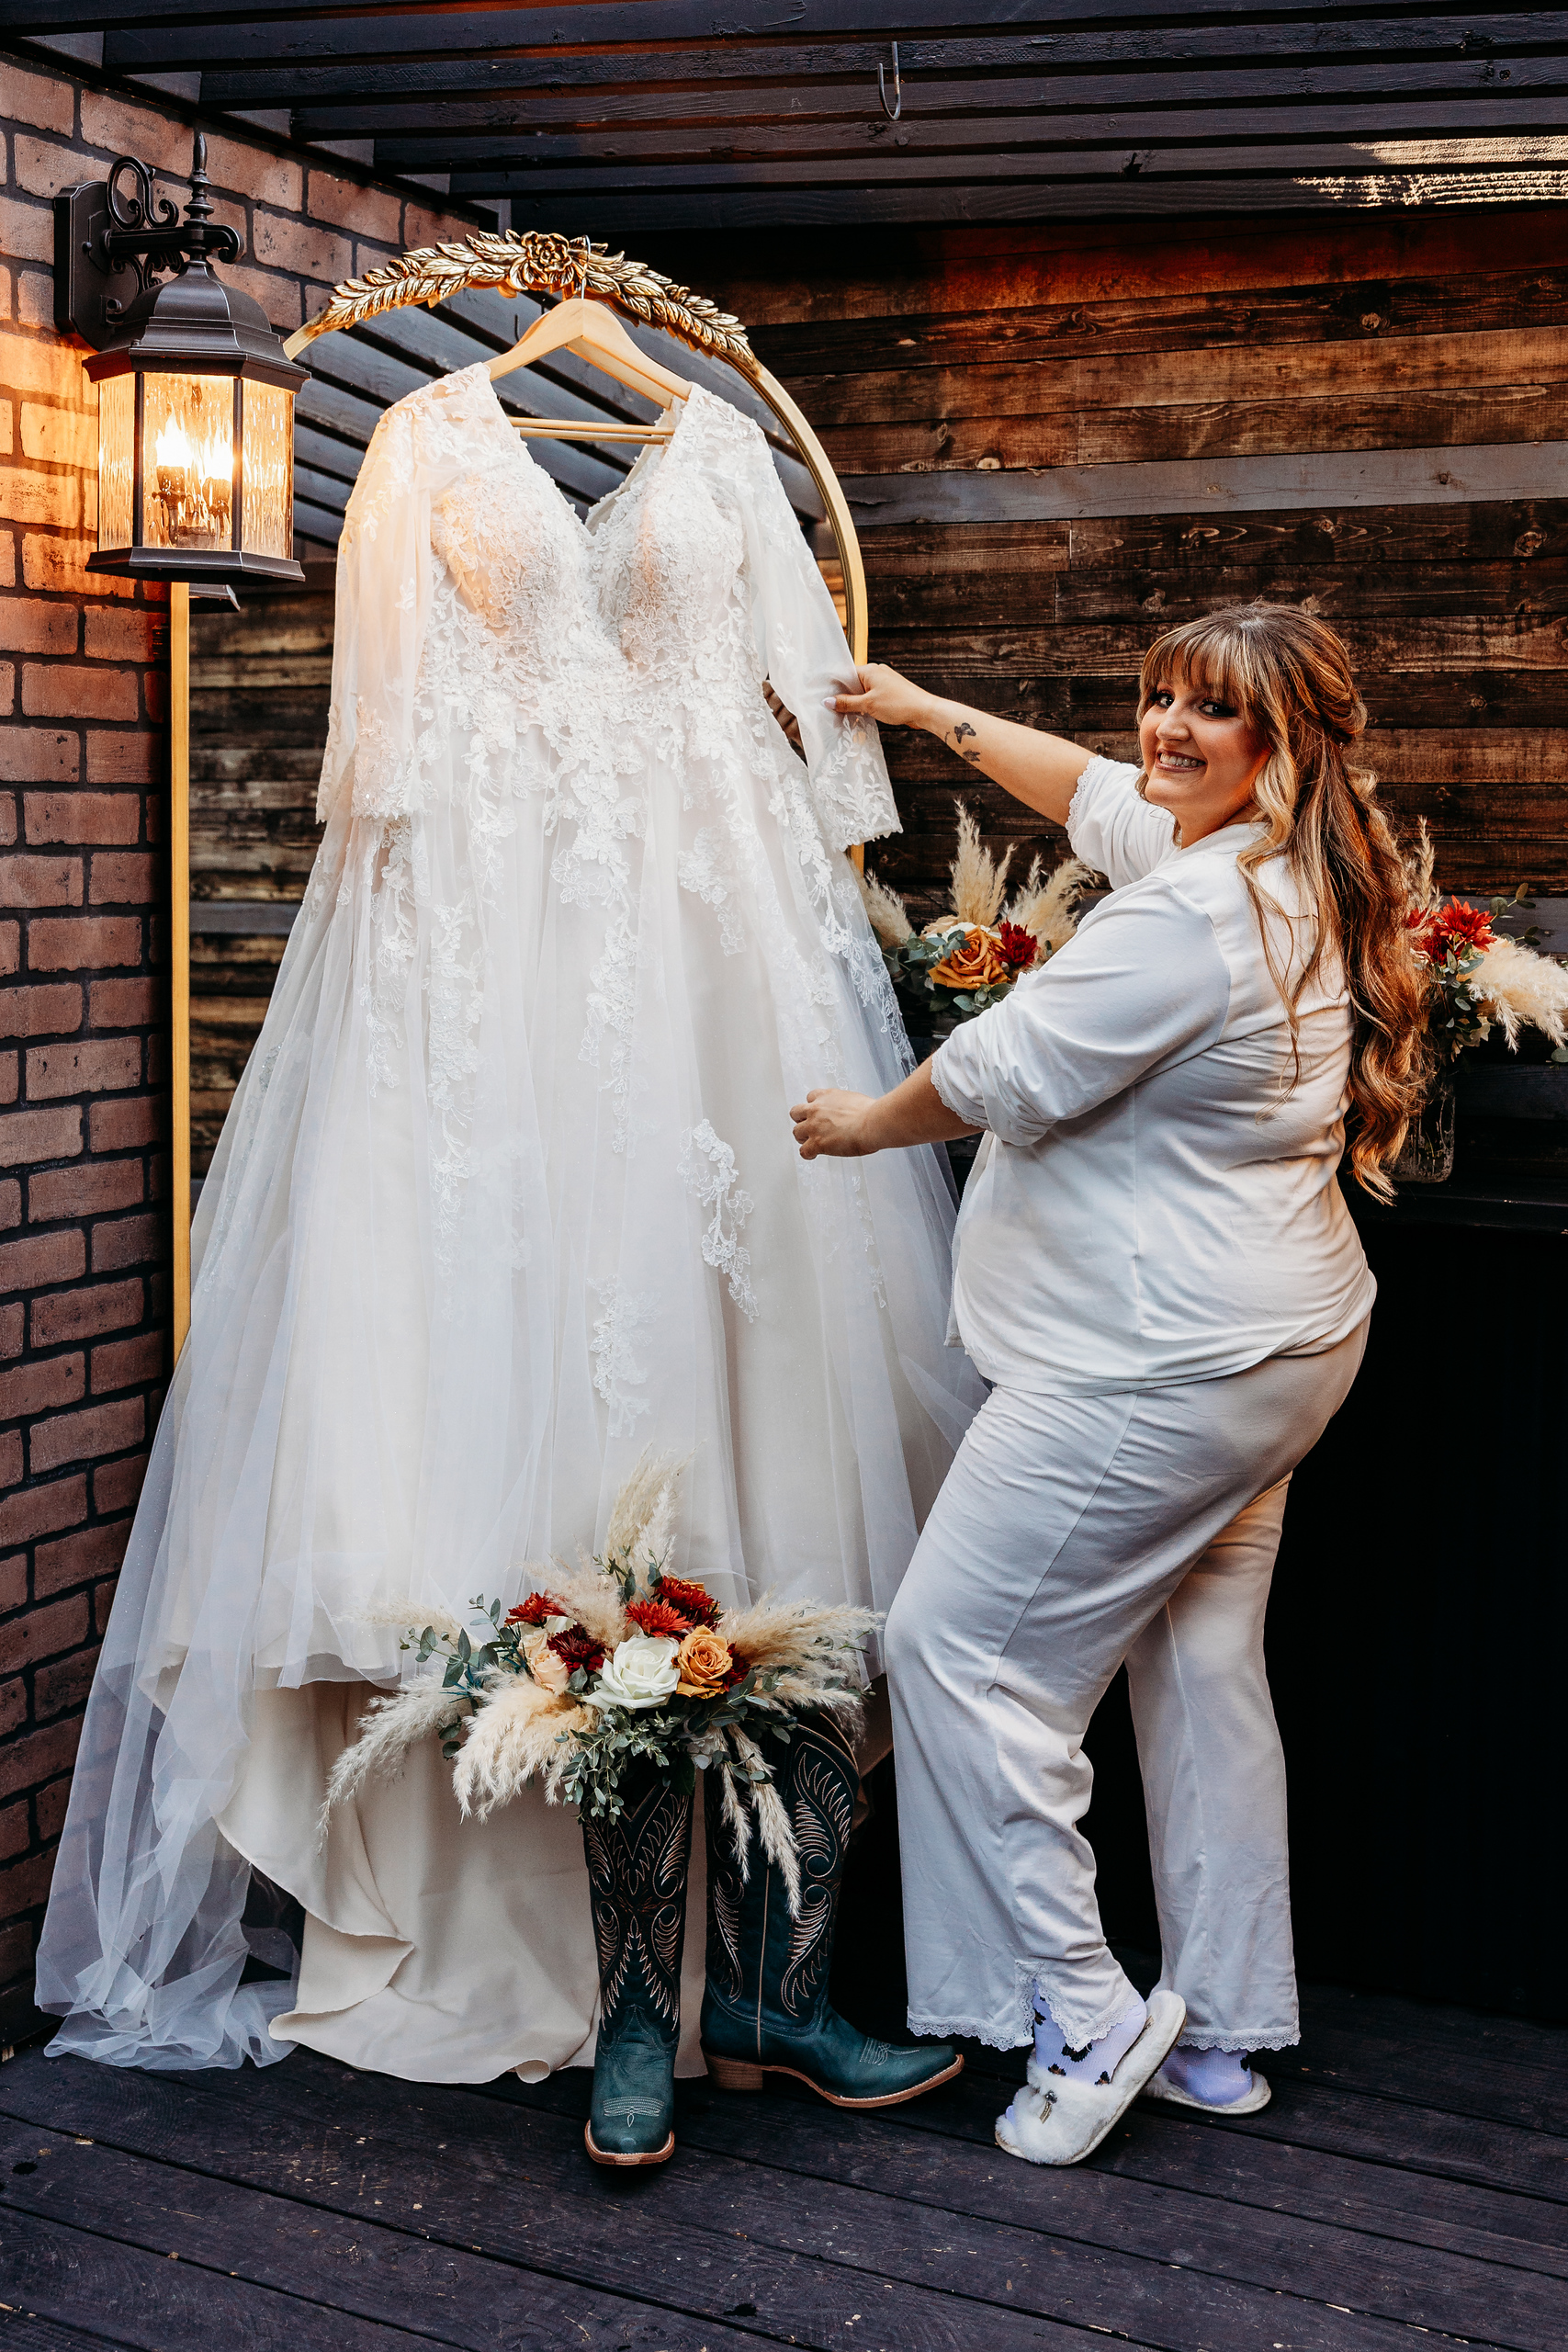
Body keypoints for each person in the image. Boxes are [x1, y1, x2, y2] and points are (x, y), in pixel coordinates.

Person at [791, 603, 1427, 2166]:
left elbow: (1002, 1071)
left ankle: (1085, 2011)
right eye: (1158, 697)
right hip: (1286, 1343)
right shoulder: (1300, 866)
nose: (1164, 731)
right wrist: (925, 709)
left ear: (1281, 746)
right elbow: (1088, 791)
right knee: (1203, 1670)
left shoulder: (1186, 920)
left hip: (1163, 1360)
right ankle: (1220, 2030)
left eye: (1208, 712)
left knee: (958, 1654)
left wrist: (860, 1125)